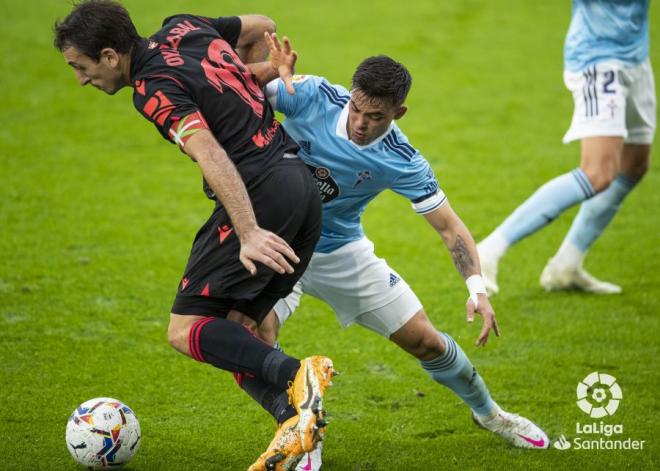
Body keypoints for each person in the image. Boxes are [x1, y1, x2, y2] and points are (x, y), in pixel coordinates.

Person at [53, 2, 336, 469]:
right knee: (240, 330)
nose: (81, 80)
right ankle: (294, 424)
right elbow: (265, 25)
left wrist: (246, 231)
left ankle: (296, 375)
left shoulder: (152, 90)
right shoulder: (184, 26)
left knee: (186, 331)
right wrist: (261, 70)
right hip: (301, 188)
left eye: (80, 68)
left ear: (108, 55)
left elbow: (207, 150)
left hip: (260, 194)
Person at [258, 43, 549, 469]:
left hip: (340, 250)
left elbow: (451, 228)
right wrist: (268, 67)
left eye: (376, 117)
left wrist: (477, 290)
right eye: (358, 109)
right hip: (277, 242)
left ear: (398, 114)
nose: (361, 123)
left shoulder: (400, 159)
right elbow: (234, 89)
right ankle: (301, 427)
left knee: (425, 340)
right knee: (253, 331)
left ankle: (491, 414)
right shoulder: (309, 95)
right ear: (351, 94)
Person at [477, 0, 655, 295]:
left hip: (636, 55)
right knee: (597, 172)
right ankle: (487, 252)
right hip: (599, 60)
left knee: (634, 164)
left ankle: (567, 266)